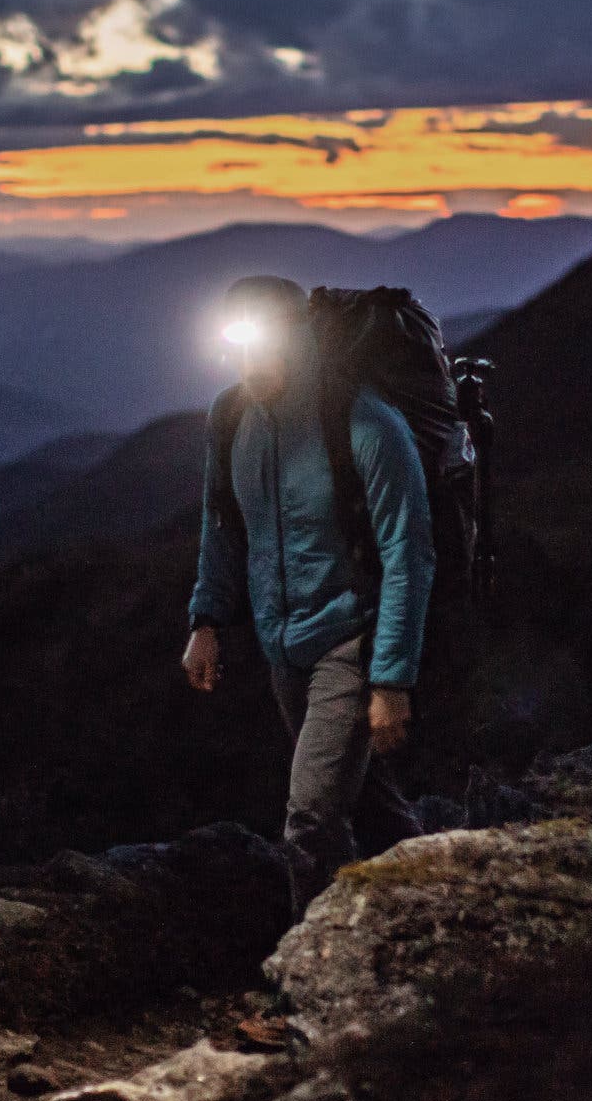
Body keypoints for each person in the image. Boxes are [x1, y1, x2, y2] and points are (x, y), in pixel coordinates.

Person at [183, 275, 432, 908]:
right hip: (283, 651)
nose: (248, 361)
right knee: (369, 807)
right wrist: (206, 621)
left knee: (311, 823)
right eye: (236, 345)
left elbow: (408, 553)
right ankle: (440, 906)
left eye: (262, 343)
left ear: (297, 338)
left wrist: (391, 680)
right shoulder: (231, 418)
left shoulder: (364, 422)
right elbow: (221, 524)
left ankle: (317, 961)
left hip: (350, 643)